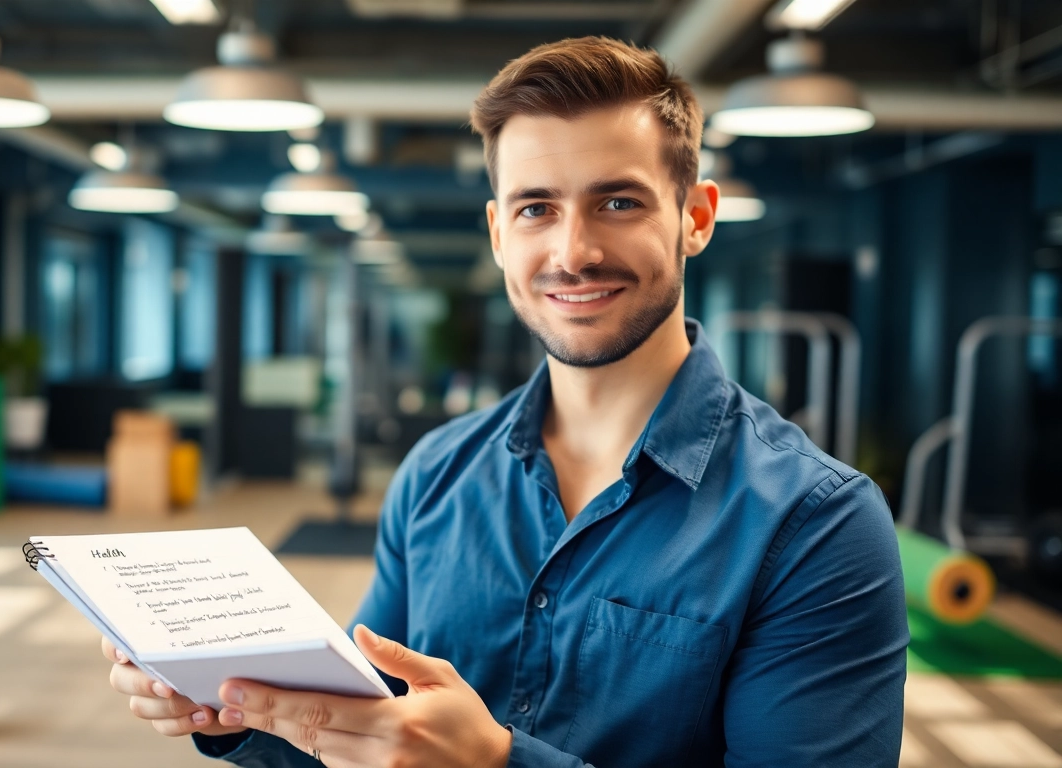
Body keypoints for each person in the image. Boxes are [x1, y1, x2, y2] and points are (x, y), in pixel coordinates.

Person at [103, 36, 908, 767]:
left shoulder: (816, 525)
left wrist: (497, 764)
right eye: (536, 208)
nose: (573, 252)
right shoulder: (435, 475)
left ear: (695, 218)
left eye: (618, 202)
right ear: (498, 233)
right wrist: (237, 708)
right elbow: (363, 735)